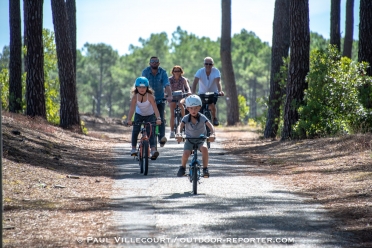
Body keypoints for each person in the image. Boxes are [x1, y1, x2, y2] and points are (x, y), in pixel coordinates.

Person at [175, 95, 215, 177]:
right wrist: (178, 134)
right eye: (191, 108)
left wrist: (213, 134)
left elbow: (210, 126)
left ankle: (205, 168)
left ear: (200, 108)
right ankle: (182, 167)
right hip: (189, 140)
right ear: (188, 108)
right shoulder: (186, 118)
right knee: (186, 153)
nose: (194, 110)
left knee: (204, 149)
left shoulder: (202, 117)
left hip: (201, 139)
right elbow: (180, 126)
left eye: (196, 108)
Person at [126, 77, 162, 160]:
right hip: (139, 115)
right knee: (135, 130)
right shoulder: (135, 97)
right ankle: (133, 149)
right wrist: (129, 120)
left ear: (147, 88)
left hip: (150, 115)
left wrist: (158, 118)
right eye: (139, 87)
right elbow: (132, 109)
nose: (142, 89)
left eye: (144, 87)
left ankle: (153, 150)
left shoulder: (150, 97)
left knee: (151, 132)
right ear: (136, 88)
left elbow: (155, 108)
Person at [142, 56, 173, 147]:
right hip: (148, 99)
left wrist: (170, 95)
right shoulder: (145, 72)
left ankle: (161, 138)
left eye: (156, 61)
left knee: (161, 118)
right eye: (152, 61)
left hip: (160, 98)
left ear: (159, 63)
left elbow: (166, 85)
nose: (154, 63)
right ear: (150, 63)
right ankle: (146, 136)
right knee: (147, 118)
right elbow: (142, 84)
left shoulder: (163, 72)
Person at [191, 56, 225, 126]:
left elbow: (218, 82)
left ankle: (214, 118)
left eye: (210, 64)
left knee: (211, 104)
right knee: (199, 108)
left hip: (213, 93)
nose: (208, 66)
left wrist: (220, 91)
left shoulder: (216, 71)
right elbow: (195, 83)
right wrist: (193, 93)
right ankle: (197, 123)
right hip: (202, 93)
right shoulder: (200, 71)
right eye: (206, 64)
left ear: (213, 65)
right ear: (204, 64)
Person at [168, 65, 191, 138]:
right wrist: (166, 94)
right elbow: (166, 88)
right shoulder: (169, 79)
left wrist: (189, 92)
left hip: (181, 97)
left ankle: (184, 120)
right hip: (172, 97)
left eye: (178, 71)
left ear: (181, 72)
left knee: (181, 104)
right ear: (173, 72)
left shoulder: (183, 79)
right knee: (172, 112)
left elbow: (187, 87)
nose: (177, 72)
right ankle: (172, 131)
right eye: (175, 71)